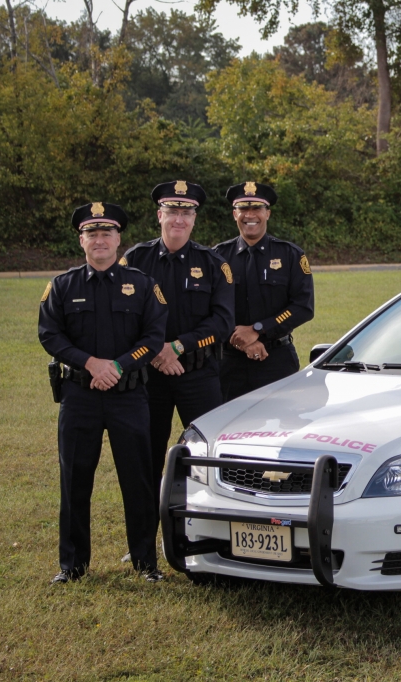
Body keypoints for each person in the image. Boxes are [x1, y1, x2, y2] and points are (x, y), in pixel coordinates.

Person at [38, 202, 168, 584]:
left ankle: (145, 563)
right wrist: (91, 363)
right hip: (79, 396)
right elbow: (49, 334)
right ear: (82, 241)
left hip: (129, 396)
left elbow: (153, 337)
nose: (99, 240)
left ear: (118, 240)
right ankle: (73, 566)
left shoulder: (143, 285)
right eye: (91, 234)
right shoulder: (63, 286)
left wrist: (118, 366)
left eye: (106, 233)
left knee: (138, 479)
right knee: (75, 479)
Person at [121, 181, 234, 545]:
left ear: (194, 219)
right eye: (172, 212)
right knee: (145, 459)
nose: (179, 219)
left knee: (207, 457)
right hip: (148, 379)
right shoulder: (134, 260)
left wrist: (179, 347)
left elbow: (222, 321)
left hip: (198, 375)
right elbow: (123, 317)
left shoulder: (214, 264)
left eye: (187, 213)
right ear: (160, 215)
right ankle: (142, 542)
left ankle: (209, 534)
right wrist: (157, 351)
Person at [214, 181, 314, 401]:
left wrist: (259, 329)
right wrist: (242, 339)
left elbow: (302, 307)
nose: (250, 215)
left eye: (257, 208)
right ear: (234, 214)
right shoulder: (218, 257)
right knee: (228, 430)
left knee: (281, 429)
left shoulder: (291, 255)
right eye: (243, 209)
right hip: (229, 362)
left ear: (267, 213)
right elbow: (209, 309)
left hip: (276, 360)